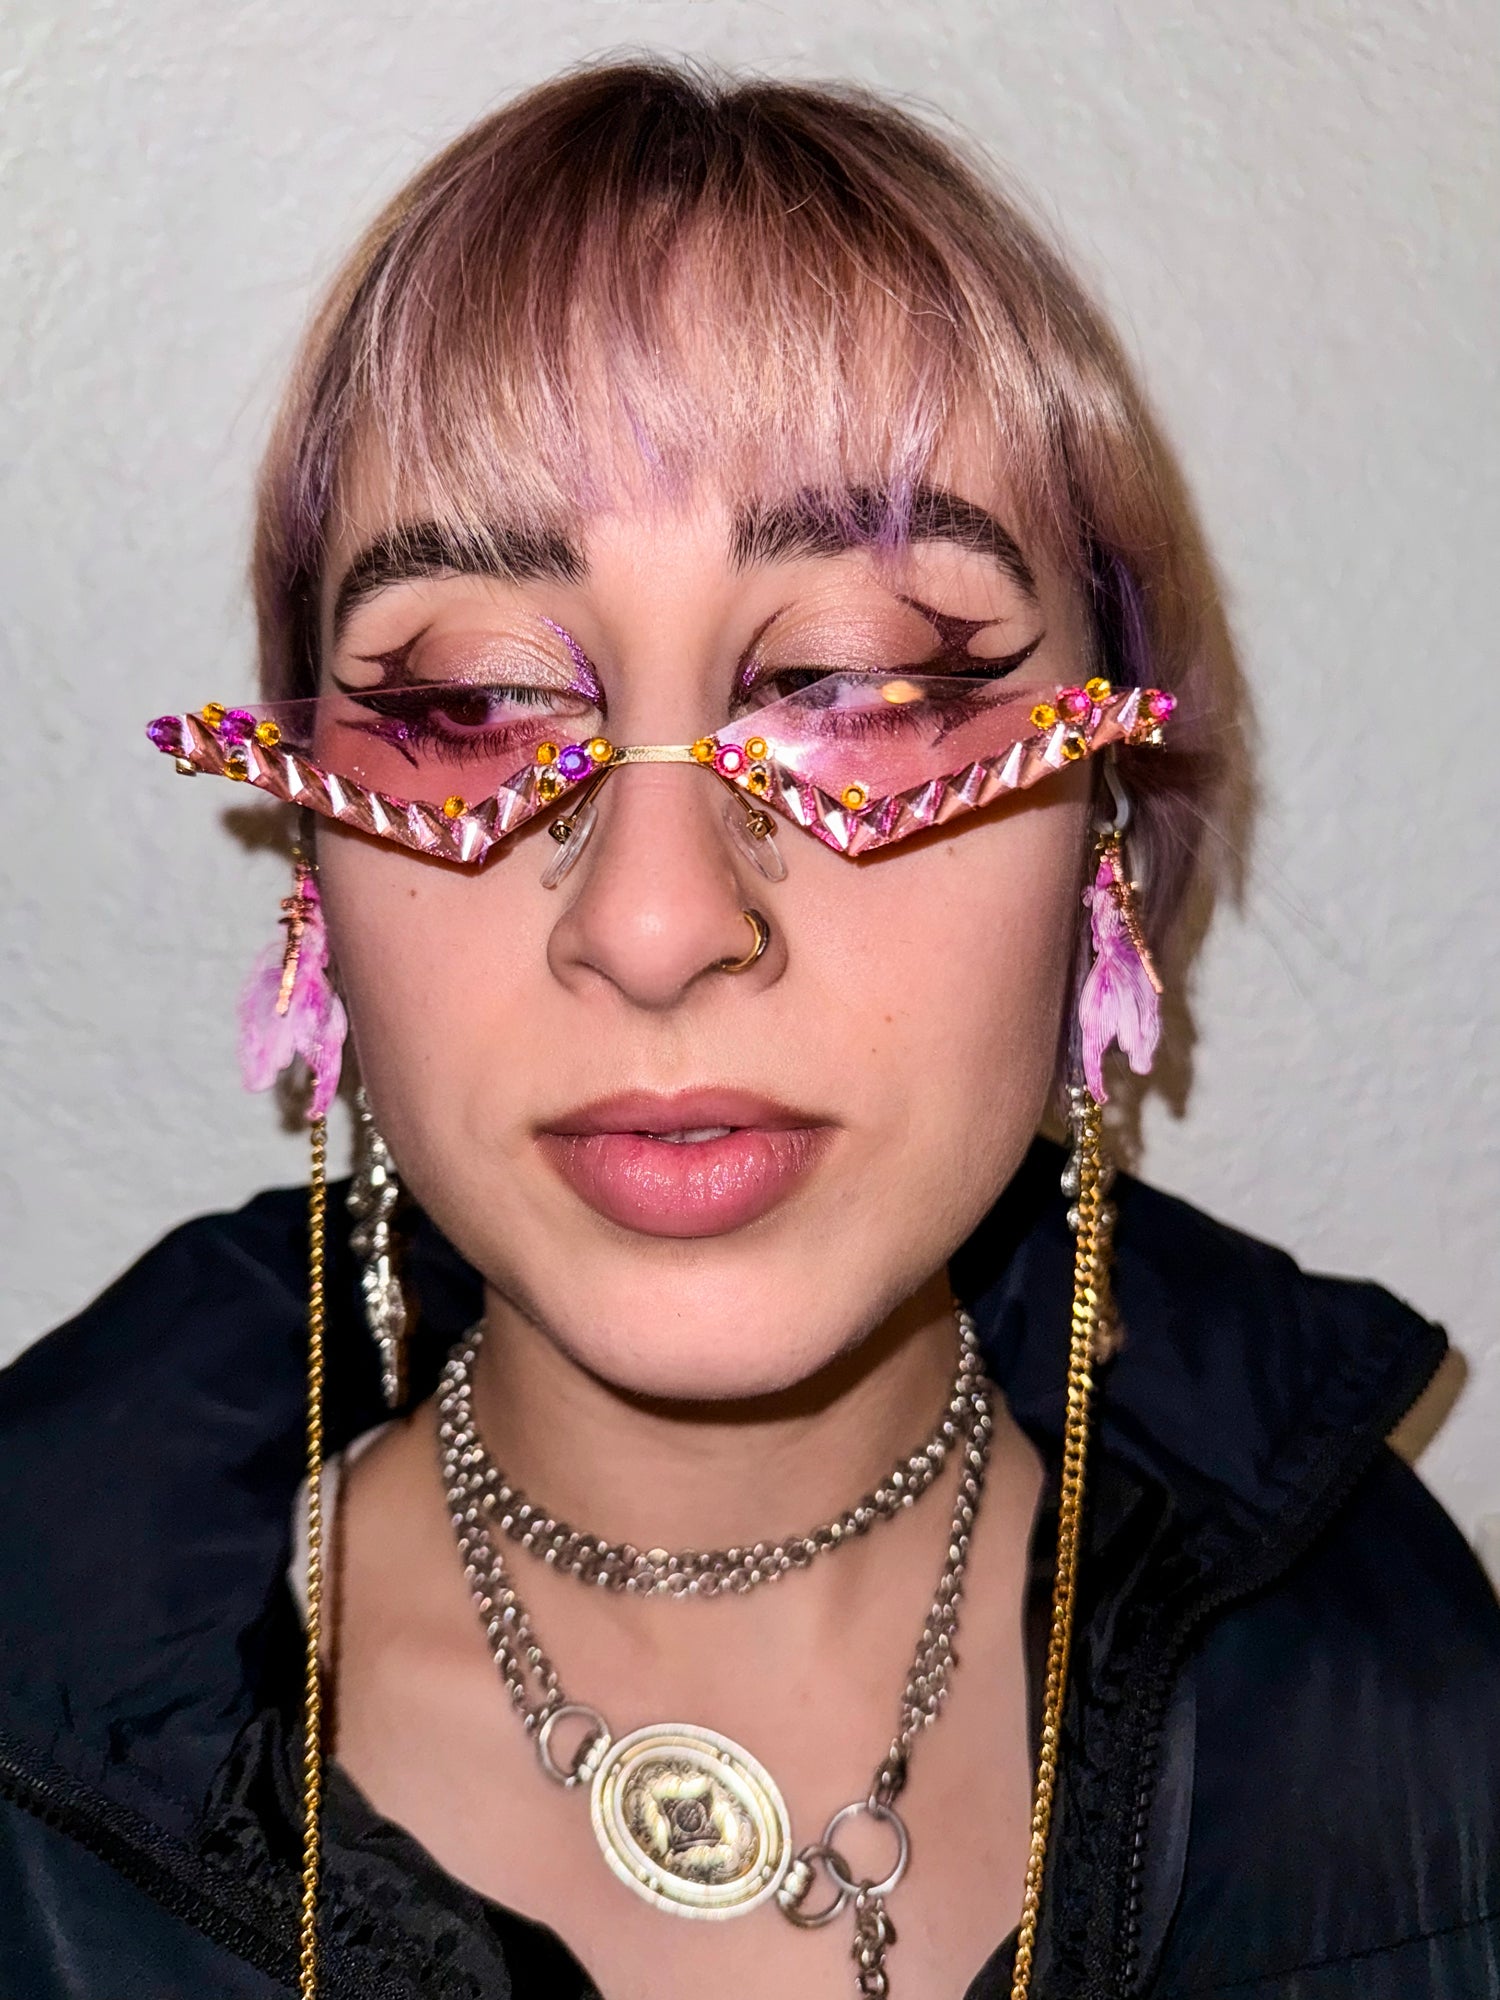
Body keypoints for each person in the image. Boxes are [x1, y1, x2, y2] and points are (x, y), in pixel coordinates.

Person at [1, 60, 1495, 2000]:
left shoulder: (1410, 1739)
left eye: (865, 686)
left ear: (1103, 836)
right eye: (468, 703)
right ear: (315, 864)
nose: (656, 923)